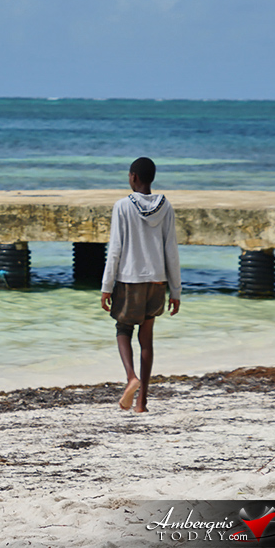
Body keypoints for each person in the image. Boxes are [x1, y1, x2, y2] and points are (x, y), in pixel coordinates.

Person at [100, 157, 181, 413]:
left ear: (133, 177)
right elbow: (172, 250)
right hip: (157, 281)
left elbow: (115, 250)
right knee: (146, 339)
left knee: (123, 329)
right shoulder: (166, 206)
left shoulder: (122, 206)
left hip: (129, 278)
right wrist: (176, 290)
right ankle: (141, 403)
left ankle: (131, 377)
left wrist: (106, 286)